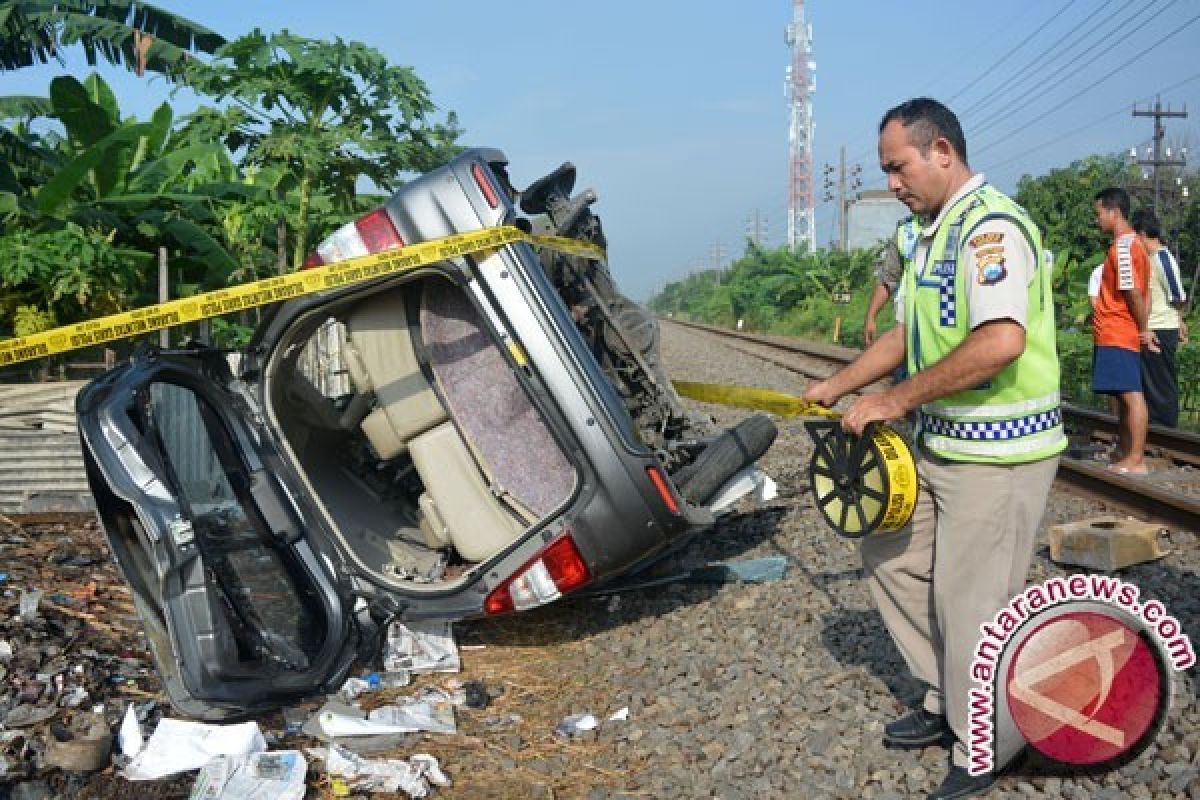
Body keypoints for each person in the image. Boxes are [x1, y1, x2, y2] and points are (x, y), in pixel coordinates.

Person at [804, 97, 1065, 800]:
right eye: (887, 170)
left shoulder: (990, 230)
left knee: (973, 598)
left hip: (1002, 452)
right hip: (945, 445)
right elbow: (906, 336)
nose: (892, 181)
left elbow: (999, 341)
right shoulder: (930, 235)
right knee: (889, 550)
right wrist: (838, 384)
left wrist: (895, 399)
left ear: (941, 150)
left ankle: (989, 742)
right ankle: (950, 698)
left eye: (899, 166)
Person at [1092, 188, 1156, 473]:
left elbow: (1132, 291)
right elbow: (1147, 292)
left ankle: (1136, 459)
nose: (1097, 220)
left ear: (1114, 213)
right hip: (1118, 330)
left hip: (1119, 330)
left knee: (1131, 394)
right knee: (1122, 395)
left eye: (1099, 214)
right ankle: (1124, 451)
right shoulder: (1136, 246)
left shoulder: (1124, 248)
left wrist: (1143, 329)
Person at [1131, 208, 1188, 427]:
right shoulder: (1150, 258)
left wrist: (1177, 320)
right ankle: (1156, 428)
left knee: (1162, 383)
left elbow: (1177, 295)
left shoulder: (1163, 258)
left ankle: (1167, 427)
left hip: (1162, 328)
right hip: (1154, 327)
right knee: (1152, 383)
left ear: (1143, 234)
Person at [865, 215, 922, 346]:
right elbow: (889, 278)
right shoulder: (906, 228)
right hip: (908, 317)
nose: (898, 193)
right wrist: (871, 316)